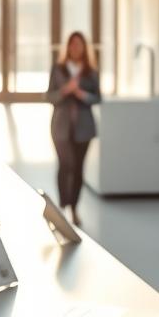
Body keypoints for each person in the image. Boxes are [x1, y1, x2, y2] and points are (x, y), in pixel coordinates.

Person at [46, 31, 101, 226]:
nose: (75, 48)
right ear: (68, 47)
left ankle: (74, 208)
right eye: (72, 44)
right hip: (60, 126)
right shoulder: (59, 69)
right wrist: (65, 91)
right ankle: (63, 205)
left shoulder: (90, 72)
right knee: (65, 165)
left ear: (84, 48)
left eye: (79, 44)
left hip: (83, 128)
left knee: (78, 168)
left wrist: (80, 94)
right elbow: (50, 97)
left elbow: (97, 98)